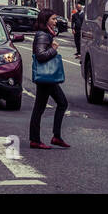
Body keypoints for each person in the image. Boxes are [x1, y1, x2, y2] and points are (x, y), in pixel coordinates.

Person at [28, 9, 70, 150]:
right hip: (46, 77)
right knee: (52, 105)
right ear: (46, 20)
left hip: (47, 77)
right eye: (53, 19)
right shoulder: (43, 35)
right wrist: (53, 48)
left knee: (54, 104)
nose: (55, 21)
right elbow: (40, 55)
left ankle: (54, 137)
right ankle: (39, 139)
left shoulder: (46, 34)